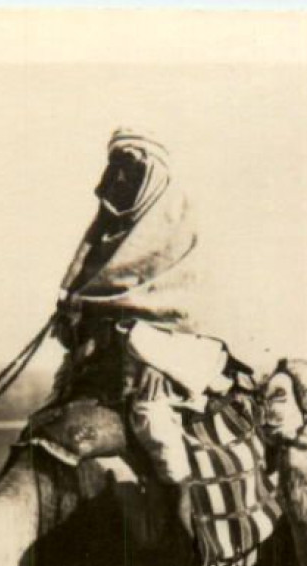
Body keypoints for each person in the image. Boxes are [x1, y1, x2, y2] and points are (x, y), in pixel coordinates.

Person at [38, 129, 245, 537]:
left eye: (131, 166)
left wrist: (161, 361)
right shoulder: (104, 233)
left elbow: (193, 314)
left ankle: (185, 518)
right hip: (104, 360)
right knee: (46, 422)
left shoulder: (181, 227)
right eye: (116, 165)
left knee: (154, 423)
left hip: (169, 356)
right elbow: (88, 300)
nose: (120, 177)